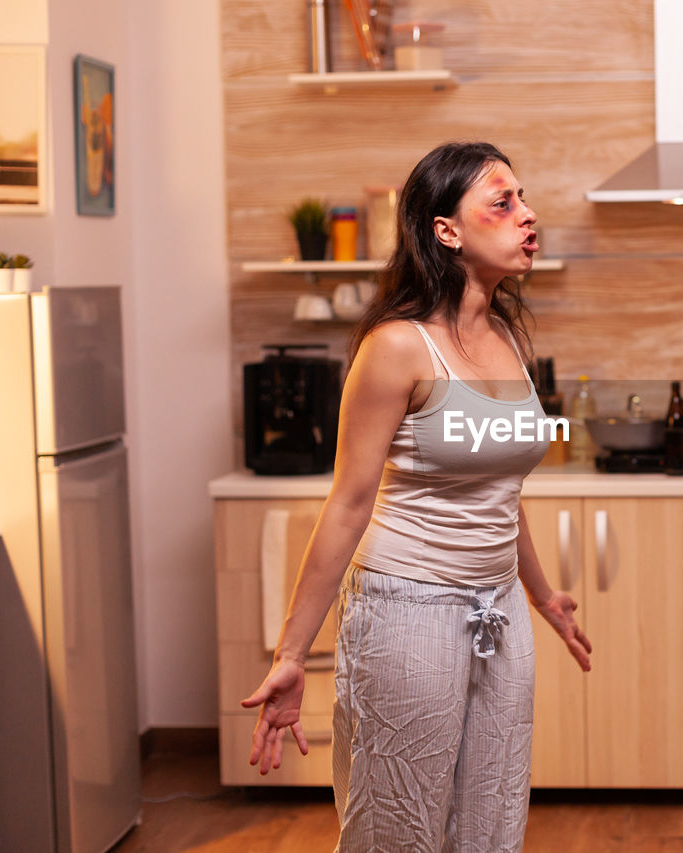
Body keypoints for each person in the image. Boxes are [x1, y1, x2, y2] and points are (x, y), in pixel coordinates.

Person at [241, 141, 592, 852]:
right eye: (503, 201)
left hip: (499, 616)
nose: (528, 216)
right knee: (397, 826)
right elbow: (347, 503)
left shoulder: (504, 337)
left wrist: (542, 592)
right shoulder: (397, 346)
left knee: (493, 821)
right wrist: (290, 652)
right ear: (446, 230)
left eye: (524, 199)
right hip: (408, 612)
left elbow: (497, 486)